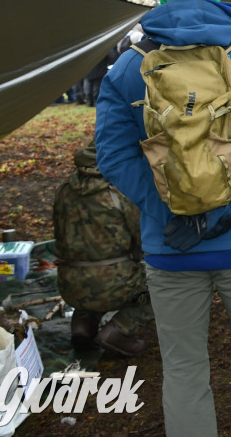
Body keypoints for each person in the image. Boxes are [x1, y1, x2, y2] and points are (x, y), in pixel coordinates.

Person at [95, 0, 231, 436]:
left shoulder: (129, 69)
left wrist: (168, 205)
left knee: (184, 369)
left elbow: (114, 157)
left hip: (171, 246)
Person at [54, 140, 154, 356]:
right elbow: (144, 238)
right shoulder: (119, 193)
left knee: (91, 277)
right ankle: (117, 331)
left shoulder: (64, 191)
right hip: (113, 284)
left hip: (70, 285)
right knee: (166, 287)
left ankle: (82, 325)